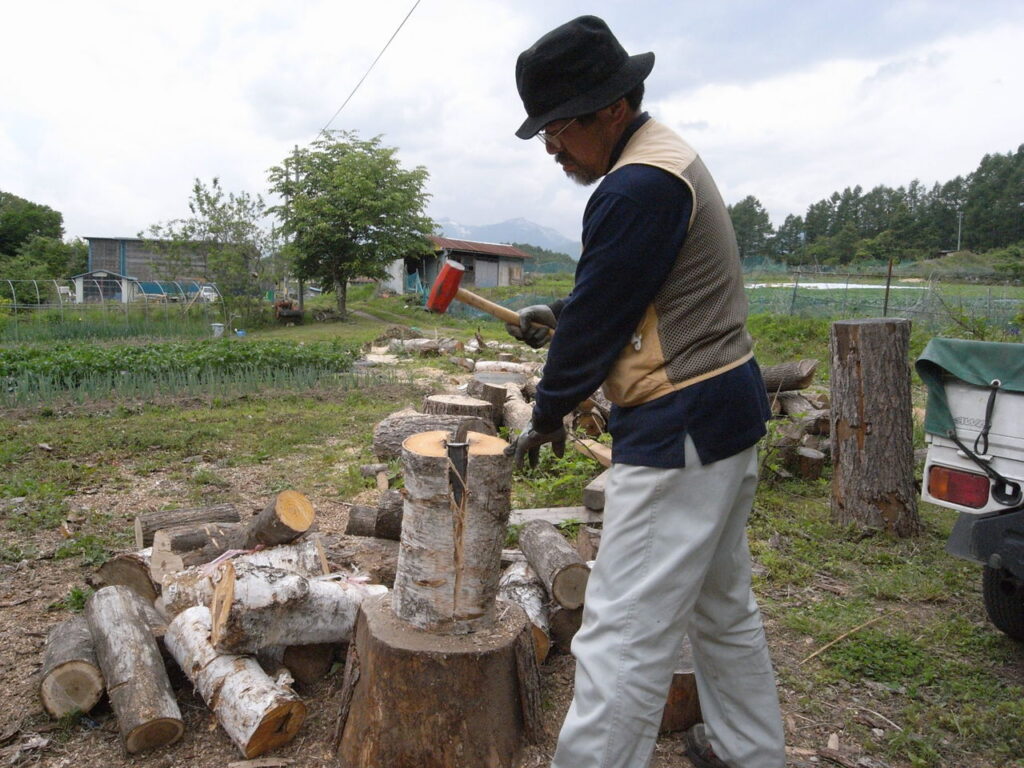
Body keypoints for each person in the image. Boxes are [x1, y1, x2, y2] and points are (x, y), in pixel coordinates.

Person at [504, 16, 786, 768]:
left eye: (558, 127)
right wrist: (560, 313)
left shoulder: (636, 187)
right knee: (723, 611)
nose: (552, 147)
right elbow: (625, 286)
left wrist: (547, 412)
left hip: (679, 428)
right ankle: (747, 750)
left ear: (612, 108)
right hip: (721, 415)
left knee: (621, 636)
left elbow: (600, 319)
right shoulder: (661, 160)